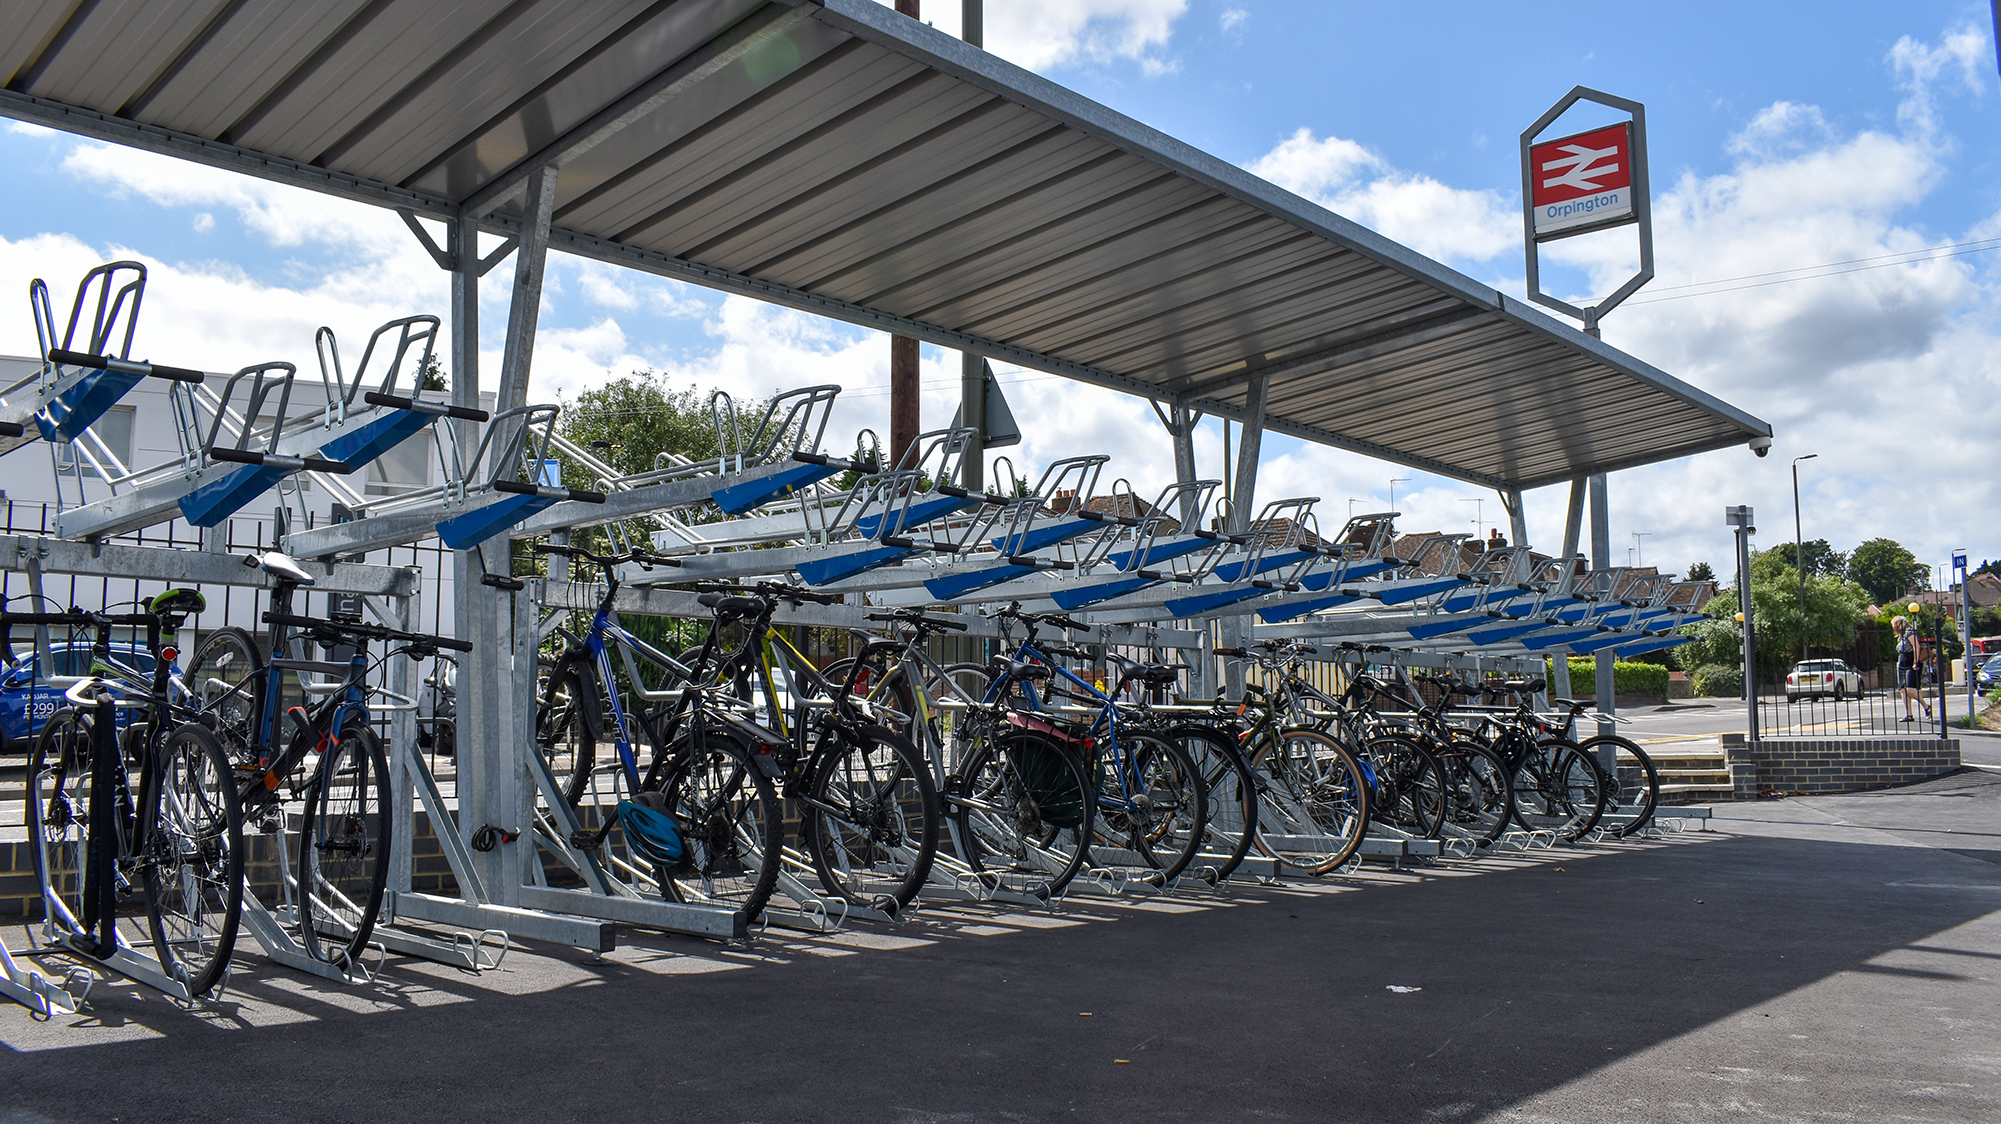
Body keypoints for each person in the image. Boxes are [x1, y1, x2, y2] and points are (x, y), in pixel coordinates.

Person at [1892, 616, 1933, 723]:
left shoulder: (1910, 632)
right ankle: (1909, 714)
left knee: (1910, 688)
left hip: (1911, 661)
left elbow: (1916, 647)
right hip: (1902, 661)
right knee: (1902, 689)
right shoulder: (1901, 635)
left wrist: (1915, 662)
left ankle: (1926, 707)